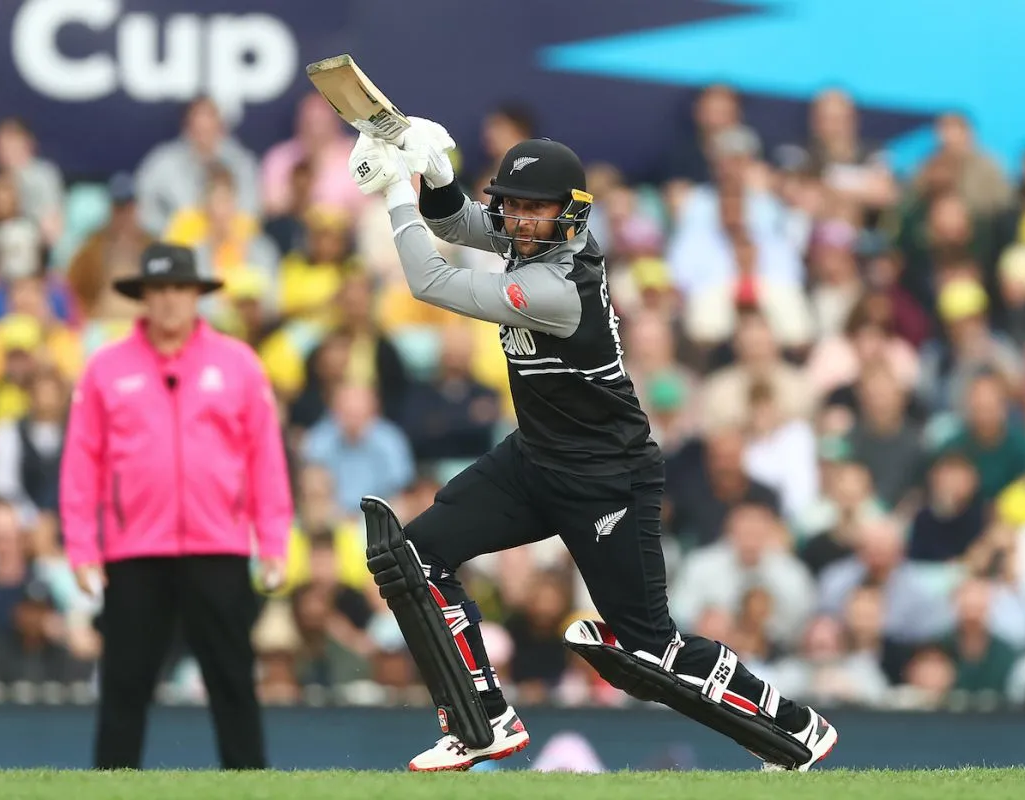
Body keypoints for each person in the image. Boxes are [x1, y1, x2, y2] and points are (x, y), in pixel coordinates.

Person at [348, 122, 838, 772]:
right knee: (416, 554)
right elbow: (465, 223)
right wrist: (433, 170)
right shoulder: (536, 238)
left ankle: (795, 727)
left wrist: (393, 194)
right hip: (535, 458)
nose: (519, 220)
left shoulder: (556, 288)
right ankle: (482, 721)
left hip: (607, 479)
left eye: (534, 208)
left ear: (569, 214)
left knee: (650, 651)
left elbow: (432, 281)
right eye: (513, 205)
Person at [60, 243, 293, 770]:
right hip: (133, 550)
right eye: (159, 289)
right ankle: (113, 786)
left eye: (179, 289)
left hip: (220, 547)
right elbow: (81, 466)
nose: (168, 300)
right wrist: (81, 549)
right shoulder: (105, 368)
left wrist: (273, 542)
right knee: (124, 687)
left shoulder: (238, 364)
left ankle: (249, 785)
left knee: (233, 682)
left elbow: (266, 462)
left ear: (197, 295)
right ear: (143, 296)